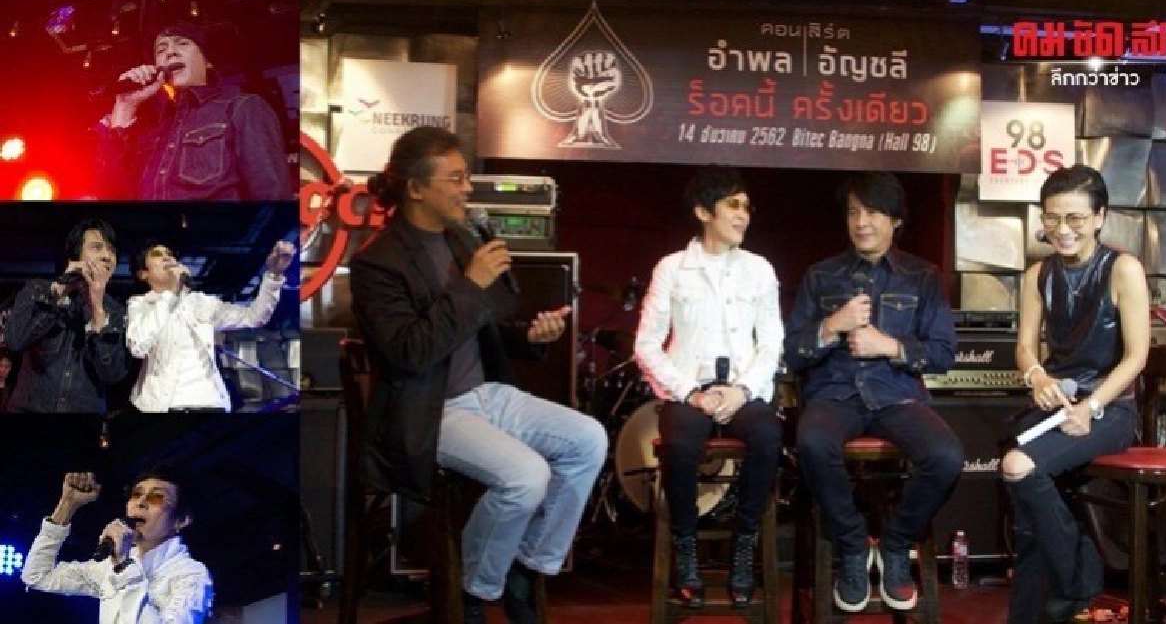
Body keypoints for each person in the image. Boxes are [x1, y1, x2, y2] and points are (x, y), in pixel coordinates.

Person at [349, 126, 606, 624]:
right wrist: (470, 285)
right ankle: (473, 591)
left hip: (487, 395)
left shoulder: (460, 239)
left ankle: (527, 567)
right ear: (415, 188)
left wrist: (529, 337)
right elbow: (411, 351)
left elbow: (476, 330)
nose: (467, 188)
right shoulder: (377, 262)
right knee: (526, 476)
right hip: (429, 409)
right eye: (456, 179)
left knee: (588, 439)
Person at [784, 171, 961, 612]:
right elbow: (792, 353)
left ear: (896, 219)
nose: (861, 222)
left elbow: (943, 354)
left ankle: (896, 544)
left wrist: (891, 347)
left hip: (897, 397)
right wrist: (831, 326)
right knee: (812, 442)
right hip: (834, 395)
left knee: (946, 456)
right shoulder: (821, 276)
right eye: (853, 212)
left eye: (873, 212)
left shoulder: (922, 276)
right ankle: (853, 546)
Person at [1001, 165, 1149, 623]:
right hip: (1056, 404)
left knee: (1018, 466)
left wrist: (1092, 406)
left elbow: (1137, 357)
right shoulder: (1037, 274)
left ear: (1100, 217)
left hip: (1111, 408)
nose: (1062, 229)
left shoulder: (1123, 269)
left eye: (1075, 219)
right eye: (1052, 218)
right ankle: (1041, 611)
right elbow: (1025, 348)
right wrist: (1038, 378)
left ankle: (1080, 582)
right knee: (1027, 515)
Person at [633, 166, 783, 608]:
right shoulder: (672, 268)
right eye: (732, 205)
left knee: (768, 435)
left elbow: (771, 342)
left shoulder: (759, 269)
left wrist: (743, 390)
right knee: (680, 446)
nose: (743, 215)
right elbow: (646, 344)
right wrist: (690, 393)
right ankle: (686, 551)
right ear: (703, 212)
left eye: (746, 206)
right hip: (689, 390)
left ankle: (744, 545)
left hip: (742, 390)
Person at [94, 21, 290, 200]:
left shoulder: (242, 108)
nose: (170, 53)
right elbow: (111, 195)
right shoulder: (149, 130)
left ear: (207, 61)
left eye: (182, 44)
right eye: (161, 49)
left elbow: (271, 194)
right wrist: (125, 106)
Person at [22, 468, 212, 623]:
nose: (141, 502)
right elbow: (37, 576)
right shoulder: (109, 567)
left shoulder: (191, 575)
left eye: (156, 497)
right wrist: (67, 505)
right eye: (136, 494)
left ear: (182, 520)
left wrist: (123, 567)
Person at [126, 240, 294, 412]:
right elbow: (138, 347)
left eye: (169, 254)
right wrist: (171, 293)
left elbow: (254, 317)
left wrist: (274, 275)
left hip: (211, 402)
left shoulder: (201, 302)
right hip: (163, 405)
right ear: (143, 274)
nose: (166, 257)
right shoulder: (140, 305)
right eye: (157, 255)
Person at [4, 219, 130, 412]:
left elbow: (113, 374)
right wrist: (60, 292)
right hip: (29, 415)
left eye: (112, 250)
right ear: (75, 256)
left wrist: (97, 309)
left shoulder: (115, 310)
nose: (107, 256)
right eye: (97, 247)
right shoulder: (37, 290)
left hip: (81, 422)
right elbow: (15, 340)